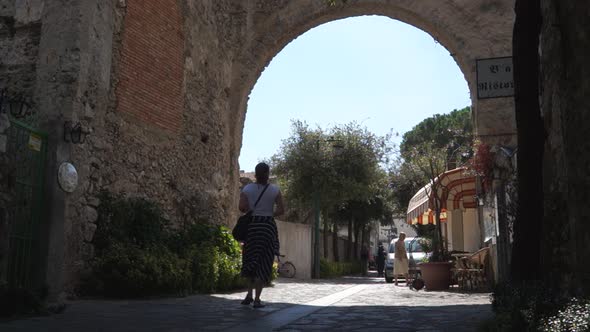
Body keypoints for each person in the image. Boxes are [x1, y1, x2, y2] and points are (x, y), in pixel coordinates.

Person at [238, 162, 285, 308]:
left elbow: (242, 208)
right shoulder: (275, 190)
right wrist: (269, 214)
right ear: (268, 173)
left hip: (252, 228)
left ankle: (248, 295)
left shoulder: (247, 188)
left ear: (256, 174)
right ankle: (257, 299)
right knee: (263, 262)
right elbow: (282, 210)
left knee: (250, 259)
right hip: (267, 228)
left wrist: (253, 210)